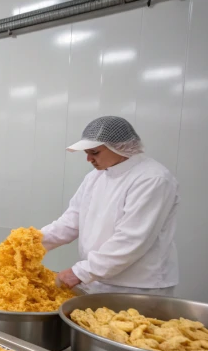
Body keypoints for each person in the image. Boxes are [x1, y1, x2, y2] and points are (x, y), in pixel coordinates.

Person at [41, 116, 179, 296]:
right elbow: (71, 221)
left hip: (138, 286)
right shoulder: (96, 177)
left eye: (95, 152)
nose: (88, 159)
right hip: (98, 279)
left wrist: (81, 272)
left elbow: (131, 239)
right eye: (86, 153)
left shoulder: (152, 179)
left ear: (119, 147)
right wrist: (31, 242)